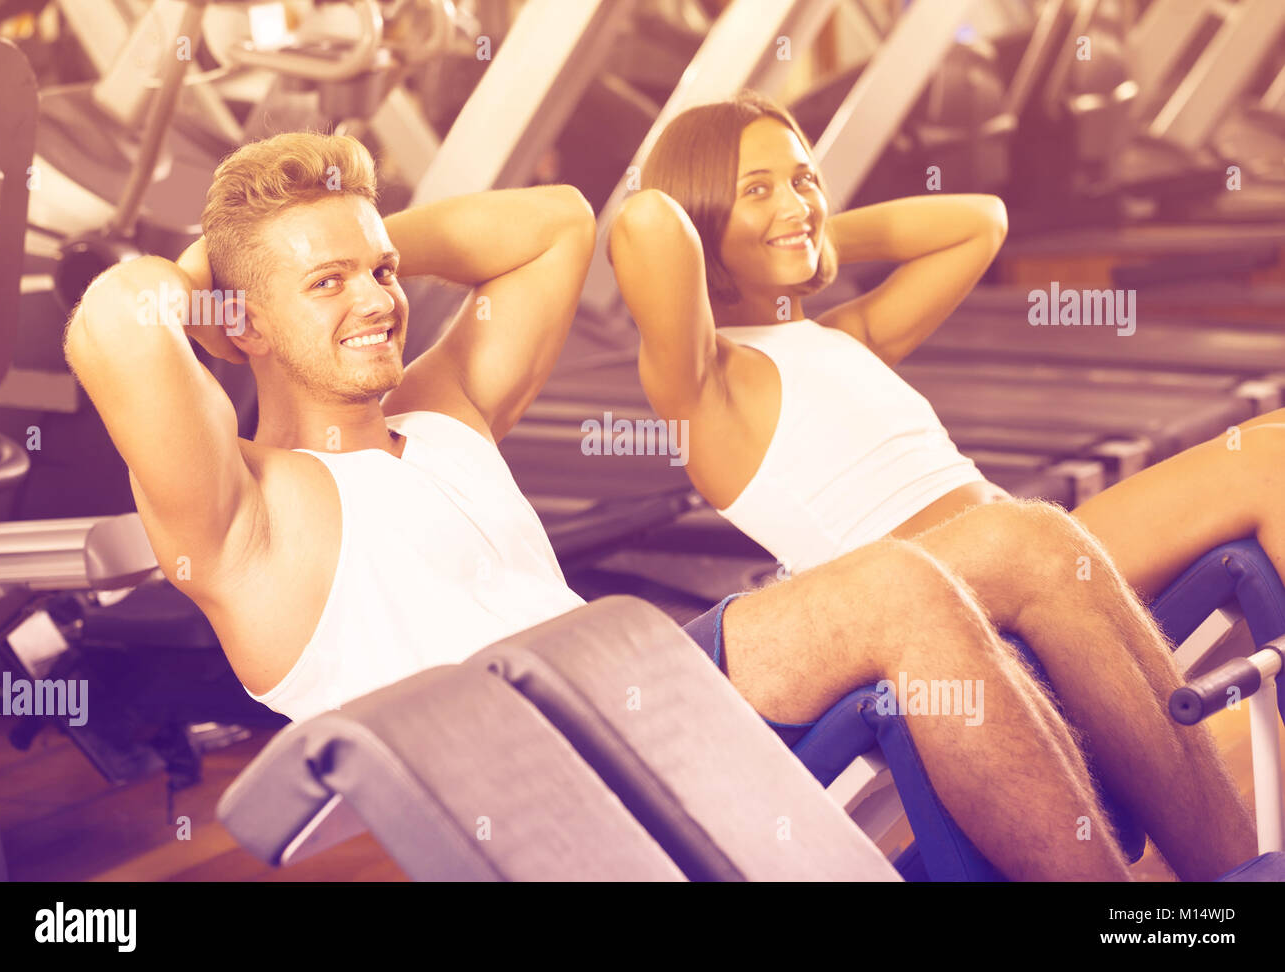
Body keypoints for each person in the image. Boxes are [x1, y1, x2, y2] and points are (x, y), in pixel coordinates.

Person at [64, 131, 1249, 882]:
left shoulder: (442, 411)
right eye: (329, 286)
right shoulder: (243, 517)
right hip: (536, 754)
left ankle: (1218, 883)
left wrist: (342, 232)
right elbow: (117, 323)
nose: (378, 298)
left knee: (1026, 540)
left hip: (644, 677)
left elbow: (557, 223)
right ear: (243, 327)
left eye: (380, 272)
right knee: (900, 583)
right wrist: (220, 272)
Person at [609, 93, 1267, 879]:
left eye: (805, 179)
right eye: (757, 187)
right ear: (705, 215)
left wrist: (801, 229)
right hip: (943, 607)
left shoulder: (845, 334)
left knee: (1271, 452)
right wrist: (748, 227)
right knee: (1031, 537)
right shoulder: (705, 386)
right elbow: (647, 223)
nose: (795, 200)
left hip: (1045, 560)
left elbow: (980, 222)